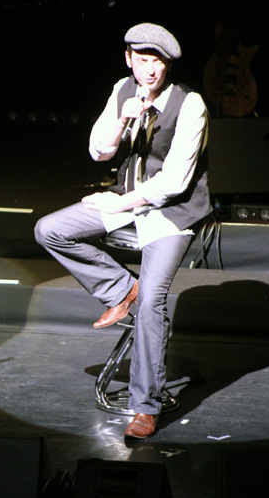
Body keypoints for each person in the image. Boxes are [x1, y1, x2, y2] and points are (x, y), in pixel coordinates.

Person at [34, 23, 210, 439]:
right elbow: (99, 151)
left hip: (171, 211)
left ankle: (145, 406)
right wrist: (121, 119)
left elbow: (174, 182)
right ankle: (120, 288)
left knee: (152, 302)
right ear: (129, 59)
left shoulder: (190, 105)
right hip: (125, 198)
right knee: (50, 229)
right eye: (143, 60)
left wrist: (121, 203)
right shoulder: (122, 90)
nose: (150, 70)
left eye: (158, 62)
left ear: (168, 65)